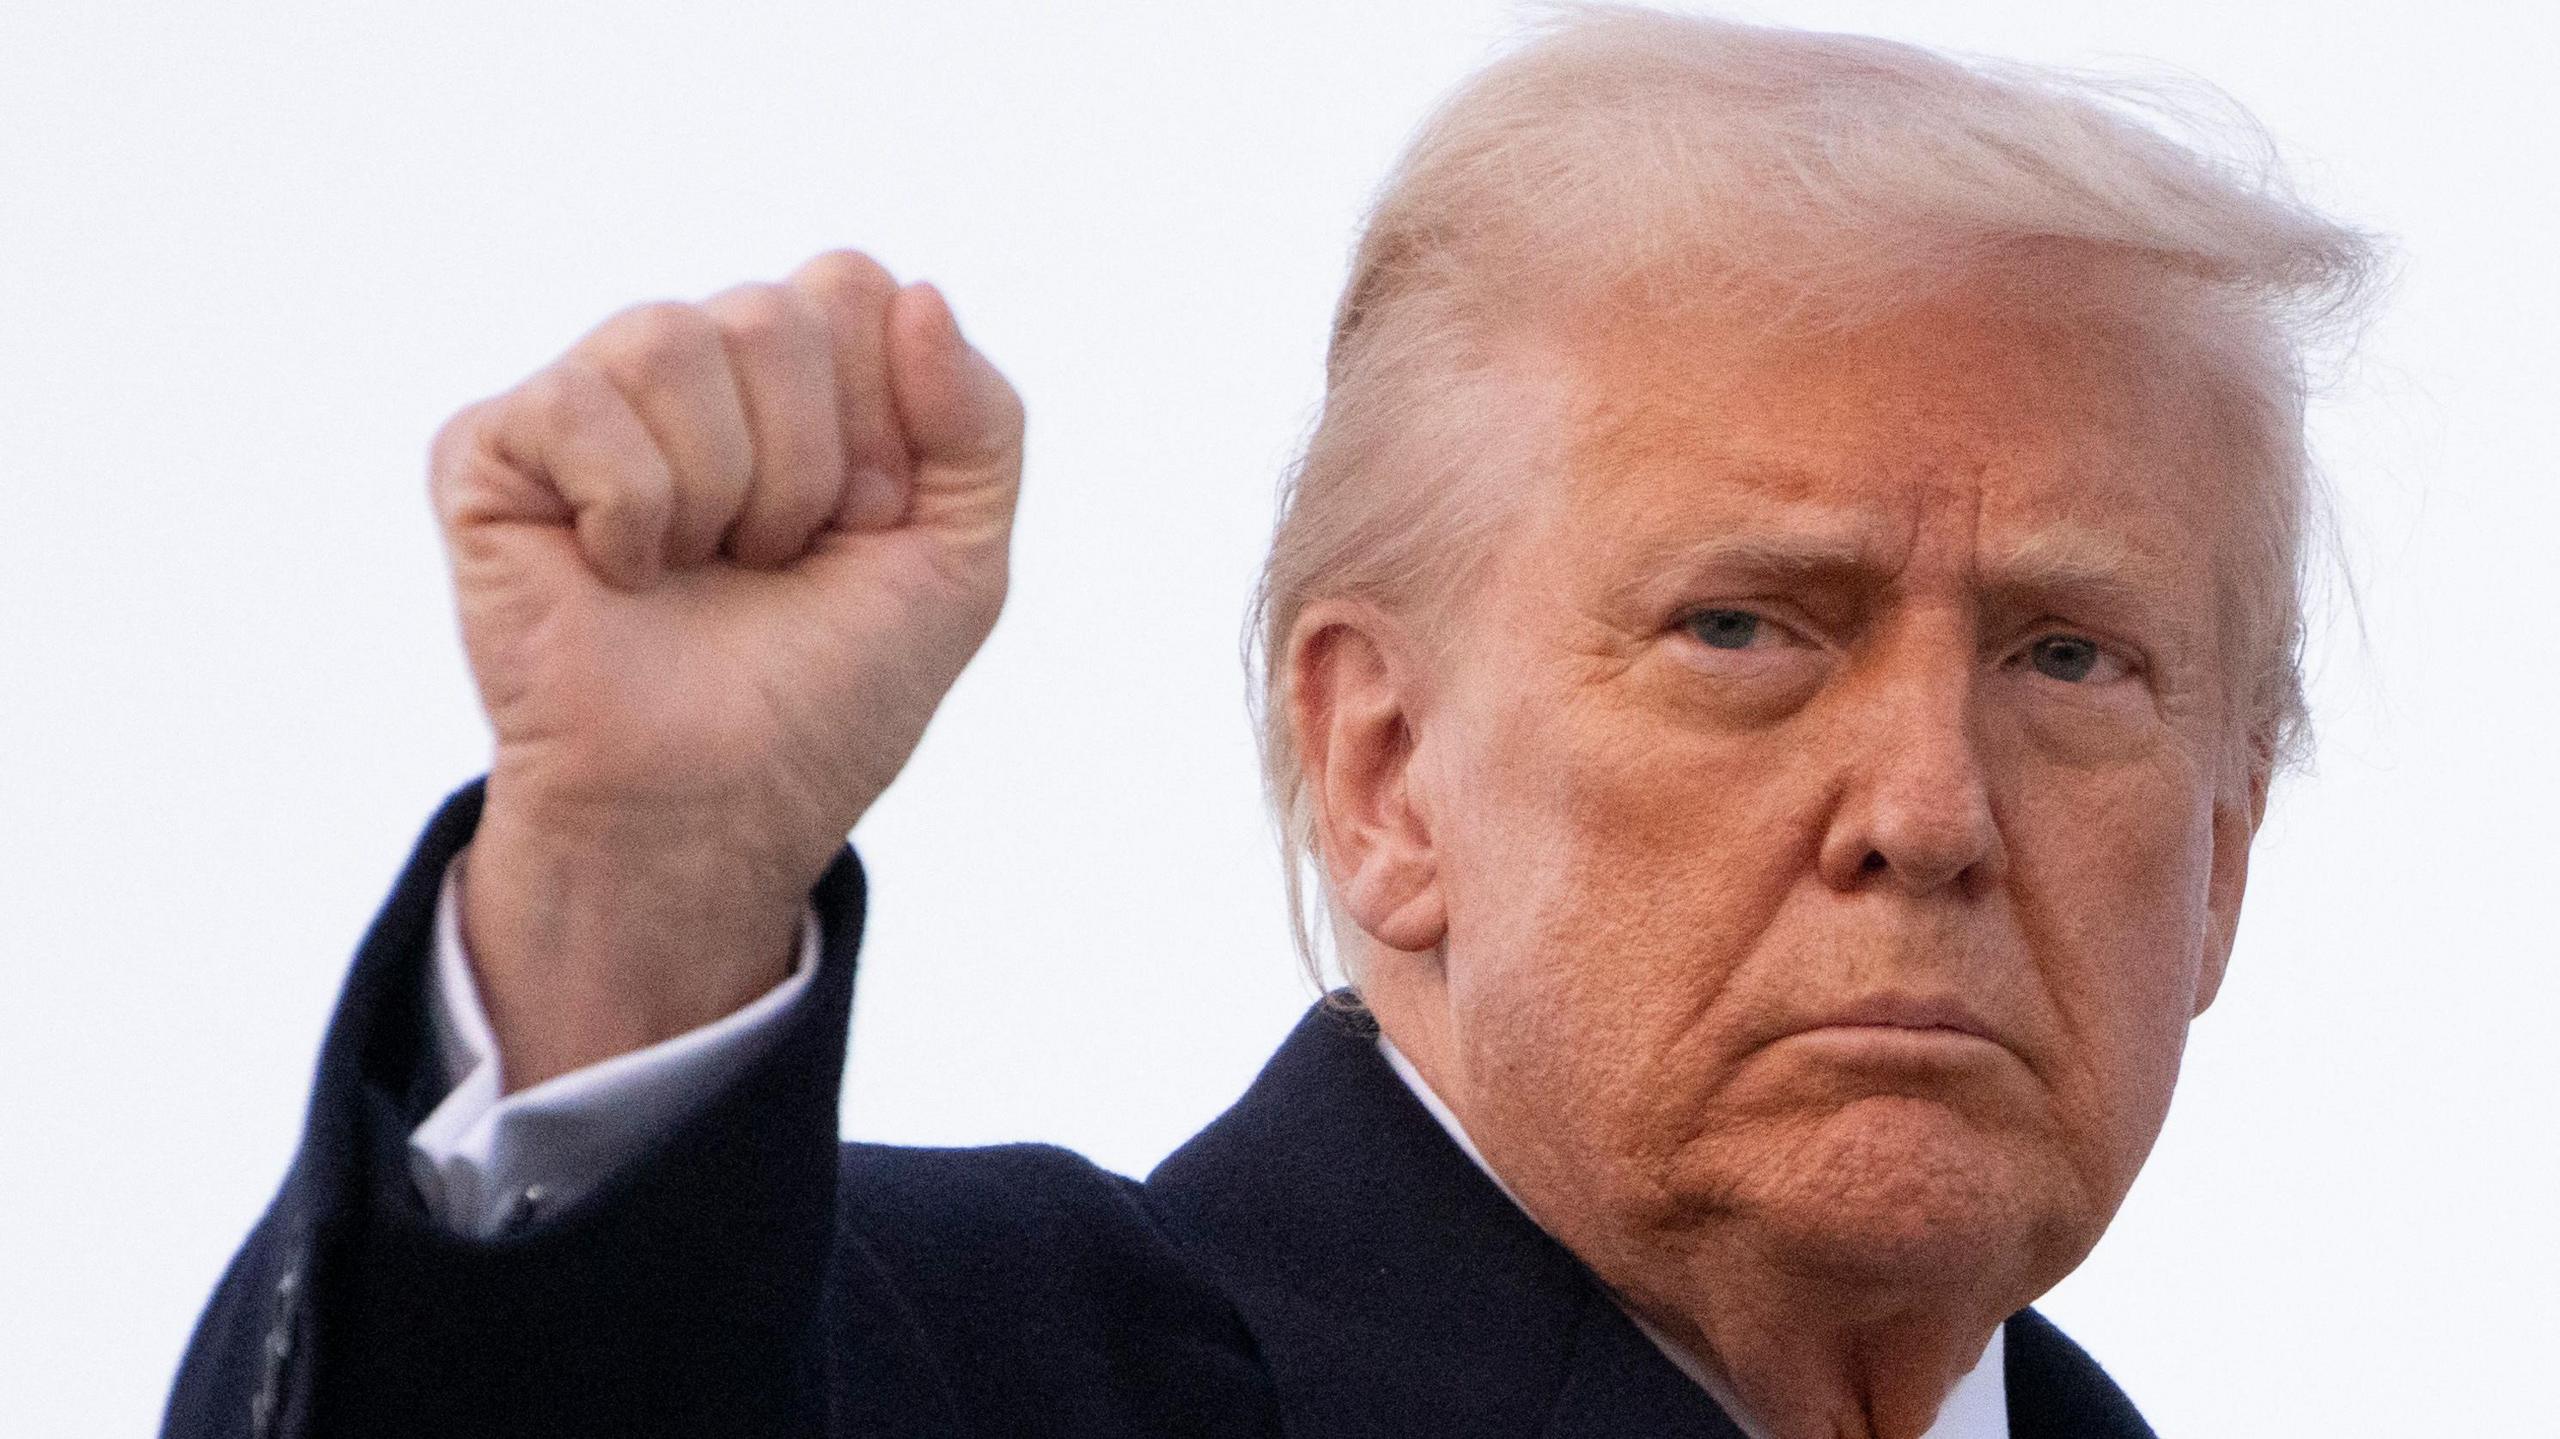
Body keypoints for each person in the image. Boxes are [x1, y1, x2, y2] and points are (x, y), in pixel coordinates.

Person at [162, 8, 2378, 1438]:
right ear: (1381, 773)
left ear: (2219, 863)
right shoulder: (960, 1379)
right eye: (1741, 627)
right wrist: (632, 891)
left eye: (2067, 658)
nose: (1923, 809)